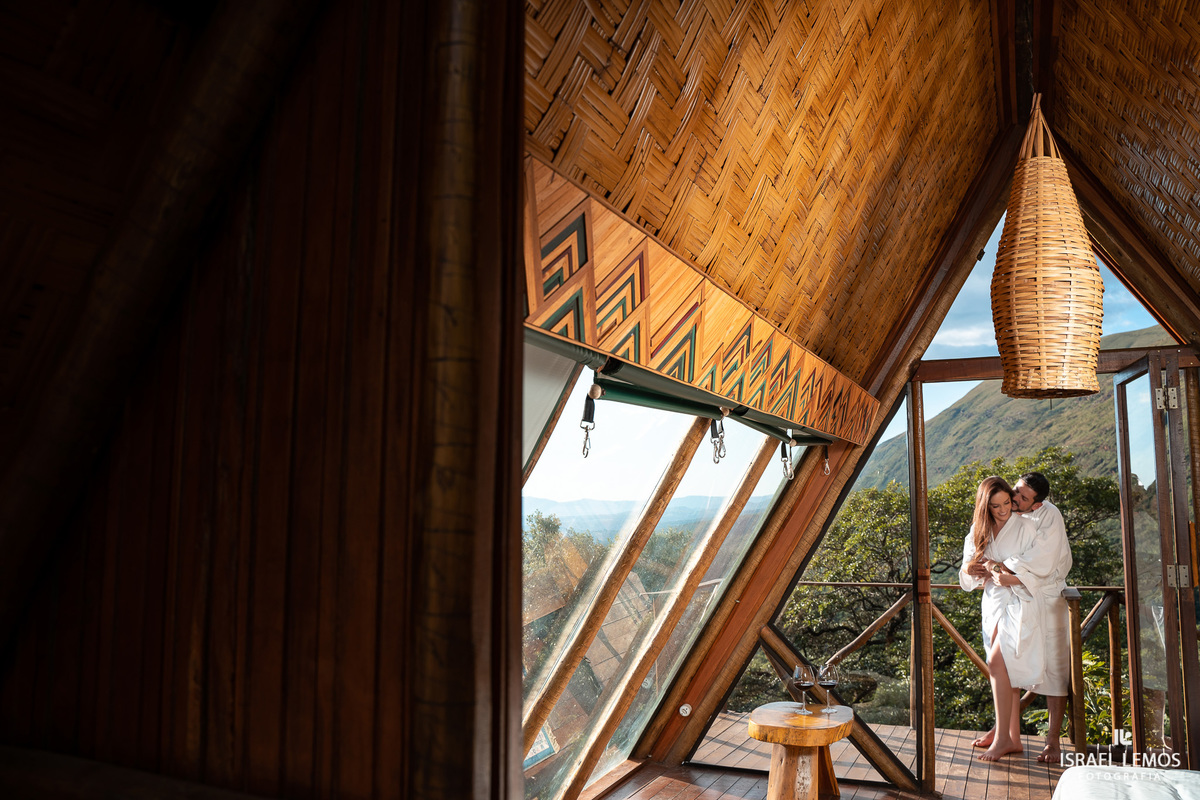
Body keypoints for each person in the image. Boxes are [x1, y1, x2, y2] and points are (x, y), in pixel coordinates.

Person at [971, 472, 1073, 763]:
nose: (1015, 499)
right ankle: (1005, 732)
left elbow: (1041, 560)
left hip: (1047, 599)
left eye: (1022, 498)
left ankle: (1052, 741)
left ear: (1037, 504)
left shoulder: (1049, 516)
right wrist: (988, 568)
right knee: (1004, 663)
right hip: (1016, 599)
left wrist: (1002, 571)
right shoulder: (1011, 513)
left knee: (1054, 670)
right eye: (1015, 491)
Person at [959, 476, 1046, 761]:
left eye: (1007, 502)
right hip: (994, 603)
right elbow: (966, 573)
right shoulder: (978, 530)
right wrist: (974, 571)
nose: (1003, 510)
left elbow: (1036, 568)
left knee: (998, 663)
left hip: (1021, 601)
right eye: (995, 506)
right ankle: (1014, 739)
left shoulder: (1027, 527)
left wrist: (998, 569)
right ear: (986, 506)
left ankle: (1001, 739)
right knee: (1006, 669)